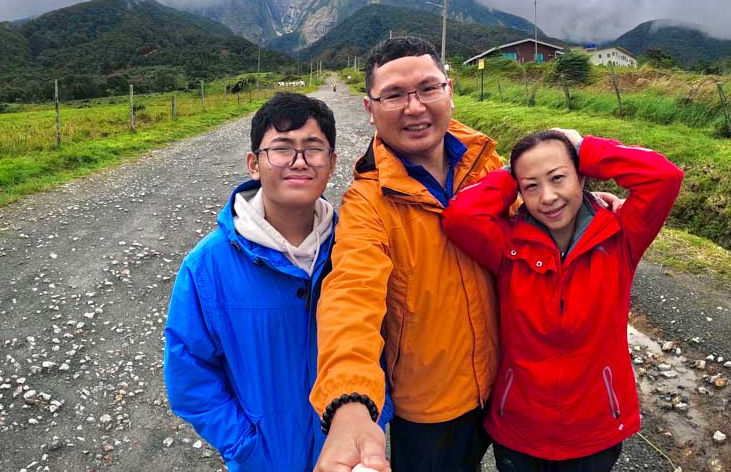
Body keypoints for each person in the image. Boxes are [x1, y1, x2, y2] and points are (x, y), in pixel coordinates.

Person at [310, 37, 620, 472]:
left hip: (510, 385)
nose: (415, 107)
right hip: (431, 406)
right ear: (369, 107)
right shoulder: (368, 203)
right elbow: (350, 296)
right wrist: (349, 404)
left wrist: (583, 208)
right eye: (394, 95)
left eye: (428, 89)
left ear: (449, 90)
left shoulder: (490, 166)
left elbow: (536, 222)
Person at [165, 92, 389, 471]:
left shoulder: (357, 249)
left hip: (352, 458)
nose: (298, 162)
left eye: (313, 148)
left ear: (332, 162)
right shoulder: (208, 266)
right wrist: (245, 446)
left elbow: (389, 347)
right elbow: (190, 376)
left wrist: (373, 418)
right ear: (254, 163)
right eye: (281, 148)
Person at [441, 128, 684, 471]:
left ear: (581, 175)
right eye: (532, 186)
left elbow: (663, 176)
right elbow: (461, 216)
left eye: (558, 178)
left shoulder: (620, 238)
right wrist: (517, 170)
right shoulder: (507, 245)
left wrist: (584, 148)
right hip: (519, 430)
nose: (549, 197)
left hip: (596, 430)